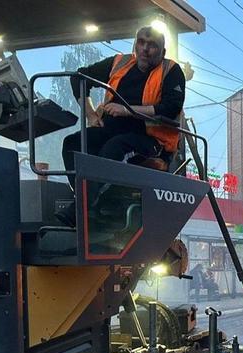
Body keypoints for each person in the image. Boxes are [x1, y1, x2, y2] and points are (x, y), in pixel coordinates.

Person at [57, 25, 185, 226]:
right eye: (141, 42)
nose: (144, 48)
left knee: (115, 147)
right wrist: (91, 115)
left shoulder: (171, 71)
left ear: (163, 52)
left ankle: (82, 209)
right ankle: (87, 201)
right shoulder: (120, 62)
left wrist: (127, 110)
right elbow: (80, 77)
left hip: (152, 142)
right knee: (72, 143)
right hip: (111, 131)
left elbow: (171, 107)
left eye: (152, 45)